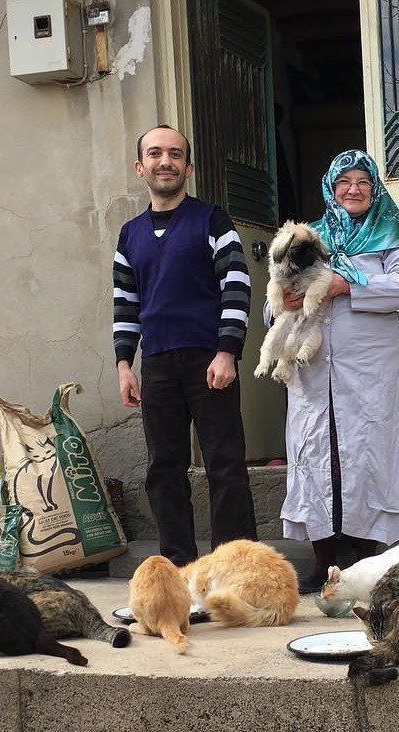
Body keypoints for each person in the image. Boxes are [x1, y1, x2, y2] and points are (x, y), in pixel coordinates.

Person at [277, 149, 399, 593]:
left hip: (371, 367)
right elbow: (278, 290)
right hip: (313, 365)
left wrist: (344, 285)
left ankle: (365, 559)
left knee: (369, 452)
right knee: (317, 451)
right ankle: (322, 560)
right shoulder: (309, 238)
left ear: (374, 188)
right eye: (344, 182)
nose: (353, 189)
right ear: (331, 188)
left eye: (363, 181)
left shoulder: (390, 233)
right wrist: (282, 303)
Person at [112, 124, 258, 567]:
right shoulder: (130, 235)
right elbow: (125, 301)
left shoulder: (212, 220)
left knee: (225, 466)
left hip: (210, 360)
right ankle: (179, 567)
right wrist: (124, 363)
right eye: (155, 153)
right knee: (163, 470)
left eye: (175, 154)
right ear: (140, 167)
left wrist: (227, 351)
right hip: (157, 363)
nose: (166, 162)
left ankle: (236, 566)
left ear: (188, 168)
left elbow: (237, 285)